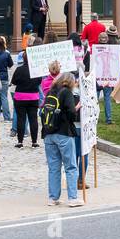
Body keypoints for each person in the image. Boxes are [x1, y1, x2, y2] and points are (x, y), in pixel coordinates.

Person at [42, 71, 82, 207]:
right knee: (70, 166)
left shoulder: (50, 92)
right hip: (63, 133)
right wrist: (77, 107)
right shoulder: (66, 93)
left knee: (54, 167)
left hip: (48, 133)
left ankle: (53, 198)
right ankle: (72, 198)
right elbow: (71, 114)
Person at [11, 56, 42, 148]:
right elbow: (39, 81)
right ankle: (34, 141)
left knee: (21, 119)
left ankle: (20, 141)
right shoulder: (36, 70)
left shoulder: (19, 69)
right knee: (33, 119)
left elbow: (14, 81)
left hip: (20, 96)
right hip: (33, 97)